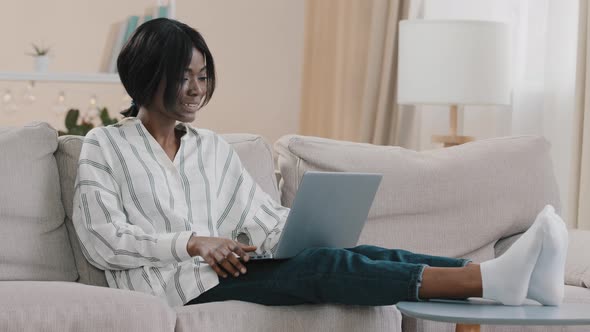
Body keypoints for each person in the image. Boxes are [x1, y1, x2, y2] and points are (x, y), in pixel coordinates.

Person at [72, 18, 569, 309]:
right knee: (326, 267)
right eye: (184, 76)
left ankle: (507, 277)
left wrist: (304, 229)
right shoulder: (103, 146)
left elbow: (262, 219)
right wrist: (193, 242)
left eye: (204, 75)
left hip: (229, 272)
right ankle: (491, 283)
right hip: (173, 288)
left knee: (370, 251)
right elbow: (102, 240)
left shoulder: (211, 149)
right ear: (145, 75)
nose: (198, 88)